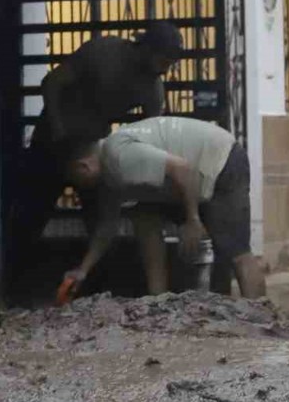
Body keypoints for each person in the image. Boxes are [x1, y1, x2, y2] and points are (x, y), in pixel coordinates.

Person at [4, 23, 185, 304]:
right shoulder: (103, 52)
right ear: (146, 48)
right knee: (30, 214)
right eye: (164, 60)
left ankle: (94, 294)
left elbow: (152, 130)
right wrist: (58, 127)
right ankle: (16, 290)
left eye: (171, 63)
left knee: (103, 218)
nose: (166, 68)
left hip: (93, 144)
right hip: (53, 140)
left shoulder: (152, 88)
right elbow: (52, 83)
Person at [61, 116, 265, 300]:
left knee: (236, 250)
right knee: (143, 215)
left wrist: (192, 220)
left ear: (84, 167)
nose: (78, 189)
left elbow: (182, 169)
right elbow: (107, 227)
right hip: (191, 176)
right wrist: (83, 270)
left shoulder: (117, 155)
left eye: (76, 181)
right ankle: (158, 300)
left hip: (220, 159)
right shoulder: (109, 177)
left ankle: (262, 321)